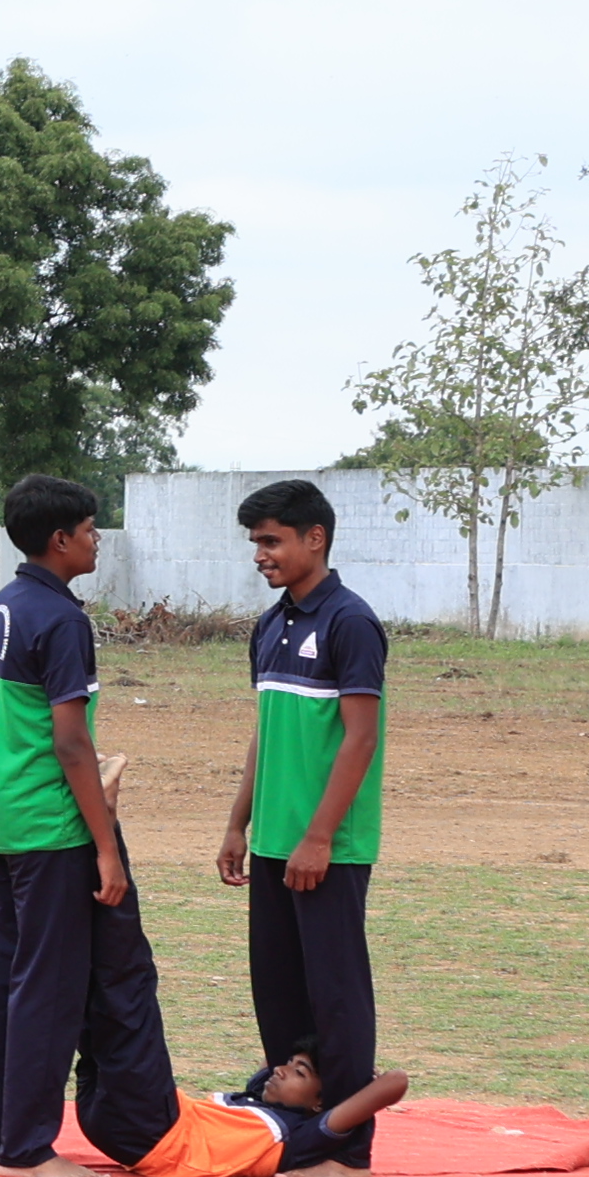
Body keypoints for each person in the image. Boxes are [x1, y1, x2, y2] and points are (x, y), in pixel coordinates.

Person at [0, 477, 148, 1177]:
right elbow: (71, 743)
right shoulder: (63, 620)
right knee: (48, 987)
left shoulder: (3, 607)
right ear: (60, 540)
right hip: (48, 827)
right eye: (91, 528)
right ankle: (28, 1148)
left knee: (7, 981)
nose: (97, 538)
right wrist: (106, 846)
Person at [215, 479, 391, 1125]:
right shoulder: (269, 625)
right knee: (280, 993)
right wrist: (239, 823)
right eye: (256, 544)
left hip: (328, 847)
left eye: (272, 541)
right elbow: (267, 730)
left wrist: (319, 836)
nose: (260, 554)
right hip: (272, 844)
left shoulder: (350, 622)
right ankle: (292, 1121)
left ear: (314, 539)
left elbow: (360, 736)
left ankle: (348, 1143)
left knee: (336, 997)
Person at [83, 1040, 407, 1177]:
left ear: (319, 1105)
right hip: (115, 1128)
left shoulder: (298, 1134)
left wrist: (359, 1071)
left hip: (161, 1135)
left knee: (125, 1005)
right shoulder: (258, 1096)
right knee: (94, 1015)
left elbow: (396, 1082)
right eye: (289, 1064)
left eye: (300, 1072)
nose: (281, 1070)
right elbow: (276, 1049)